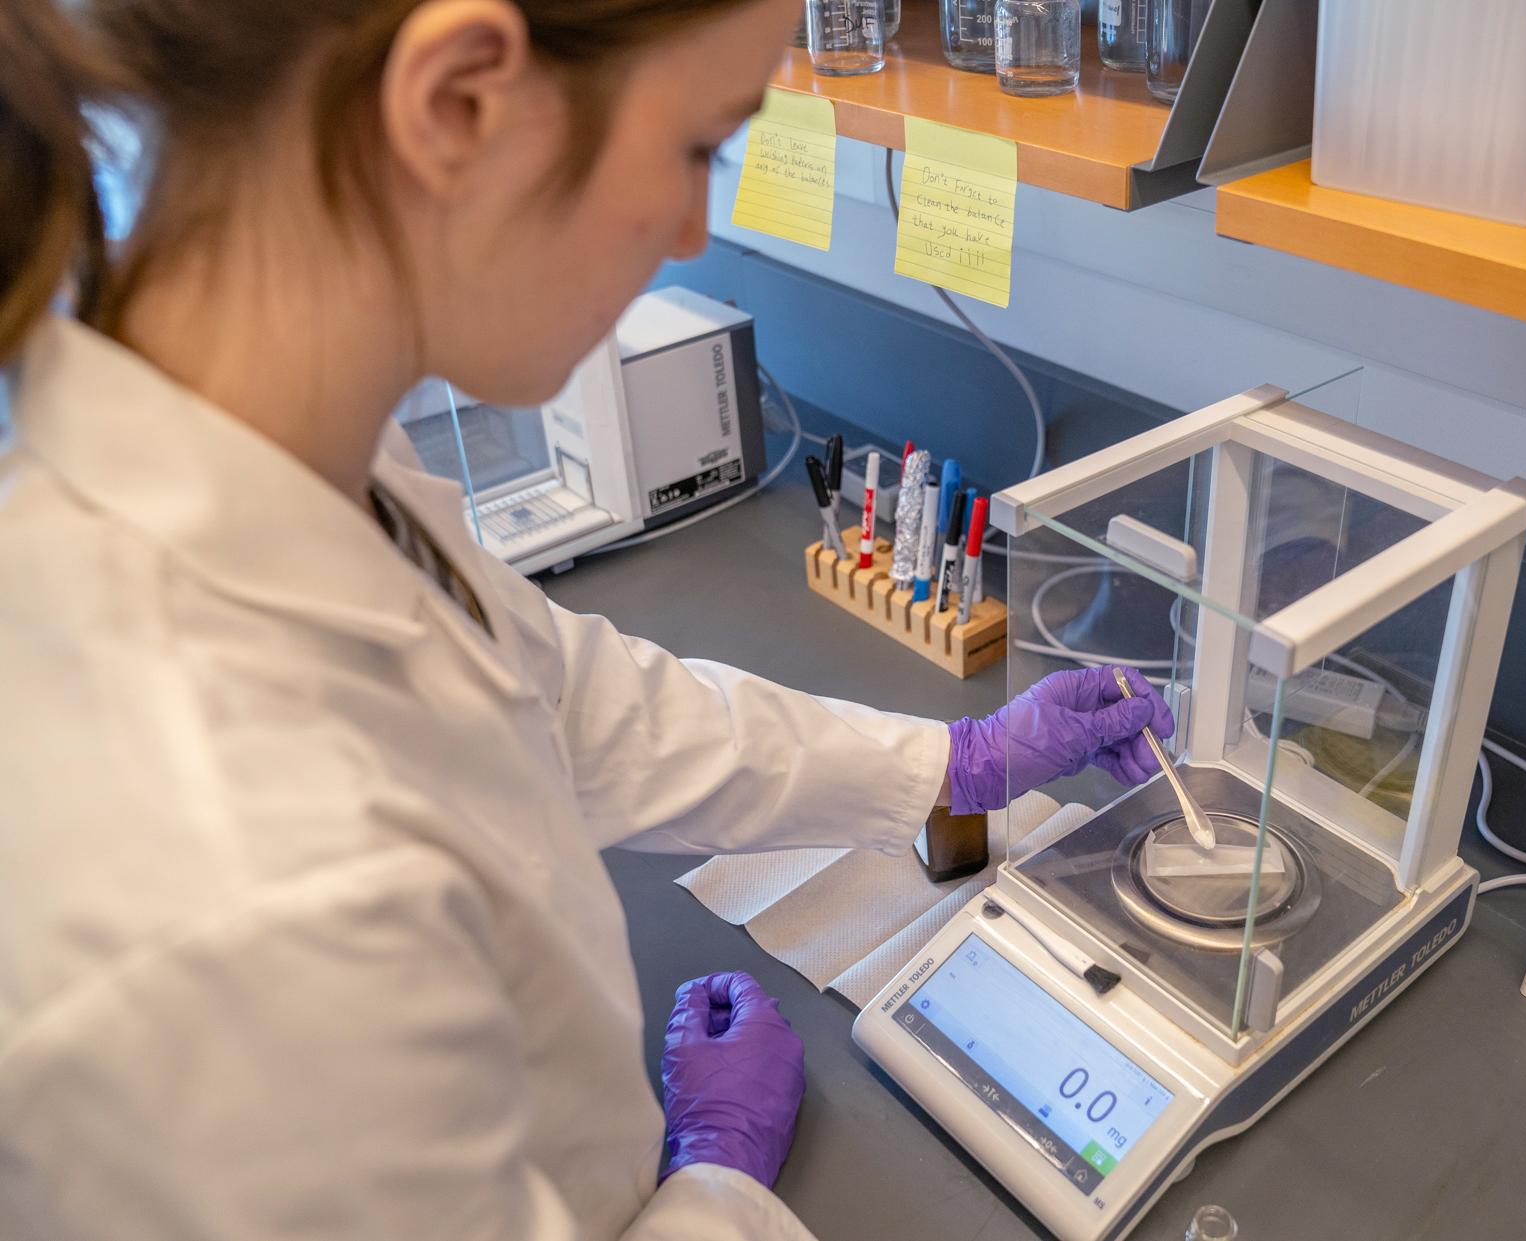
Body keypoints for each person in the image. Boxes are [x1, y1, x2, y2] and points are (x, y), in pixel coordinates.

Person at [0, 2, 1174, 1238]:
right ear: (459, 103)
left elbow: (573, 701)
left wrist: (958, 761)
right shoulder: (239, 901)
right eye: (695, 149)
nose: (687, 231)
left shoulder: (293, 453)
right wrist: (713, 1188)